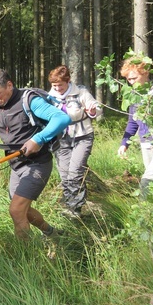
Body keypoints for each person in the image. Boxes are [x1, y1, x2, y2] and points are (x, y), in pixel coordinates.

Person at [0, 69, 71, 241]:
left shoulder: (29, 100)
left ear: (9, 85)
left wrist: (38, 139)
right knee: (23, 209)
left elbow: (61, 118)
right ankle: (51, 233)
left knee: (16, 210)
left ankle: (25, 257)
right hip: (15, 164)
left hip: (37, 164)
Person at [47, 65, 101, 219]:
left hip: (83, 137)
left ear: (68, 81)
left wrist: (92, 111)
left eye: (60, 85)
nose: (57, 88)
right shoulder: (49, 97)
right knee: (64, 174)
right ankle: (69, 205)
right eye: (54, 85)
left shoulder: (81, 92)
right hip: (61, 139)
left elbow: (97, 108)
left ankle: (76, 209)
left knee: (75, 172)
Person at [117, 59, 153, 198]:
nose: (130, 81)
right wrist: (124, 143)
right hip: (145, 142)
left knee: (147, 180)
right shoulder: (134, 95)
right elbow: (133, 122)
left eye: (134, 78)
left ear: (145, 73)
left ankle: (143, 212)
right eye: (128, 79)